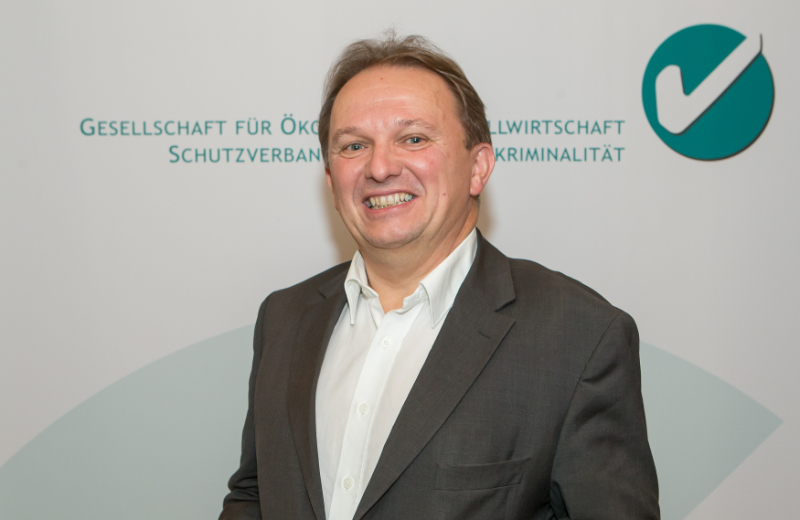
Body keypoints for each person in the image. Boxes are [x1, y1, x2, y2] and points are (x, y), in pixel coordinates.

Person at [220, 33, 659, 520]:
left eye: (413, 139)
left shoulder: (578, 335)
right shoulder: (284, 318)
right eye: (354, 145)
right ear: (331, 180)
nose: (379, 167)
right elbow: (255, 496)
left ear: (478, 168)